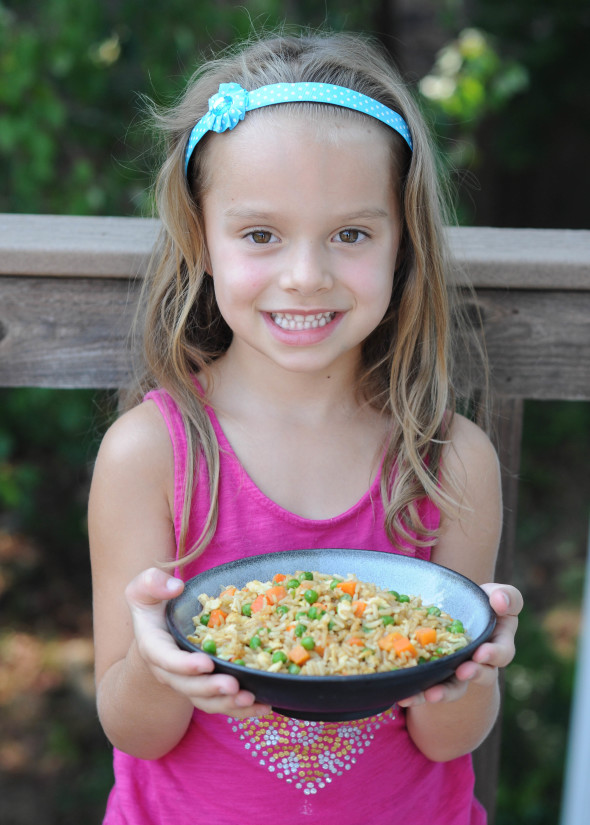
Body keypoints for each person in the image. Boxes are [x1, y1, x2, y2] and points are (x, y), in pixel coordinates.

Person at [88, 30, 522, 825]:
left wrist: (473, 671)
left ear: (401, 245)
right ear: (201, 238)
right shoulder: (150, 455)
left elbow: (446, 738)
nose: (305, 275)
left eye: (351, 234)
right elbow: (134, 729)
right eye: (261, 234)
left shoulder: (450, 462)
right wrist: (160, 668)